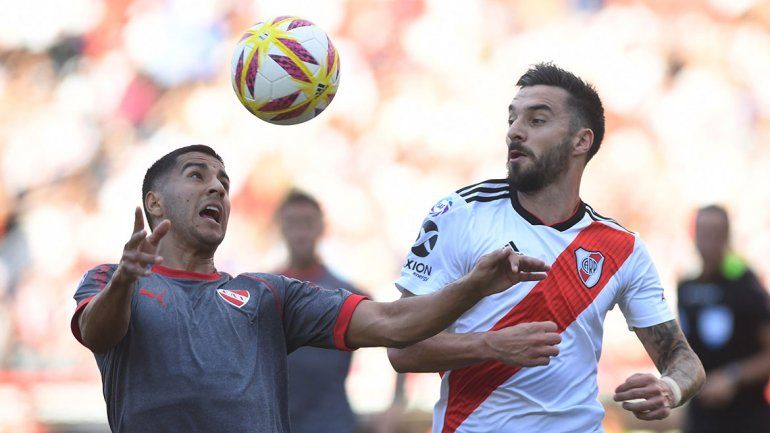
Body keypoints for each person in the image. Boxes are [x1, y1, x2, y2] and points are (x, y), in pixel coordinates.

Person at [70, 144, 550, 433]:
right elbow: (97, 333)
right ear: (153, 202)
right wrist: (127, 278)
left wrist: (476, 285)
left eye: (224, 181)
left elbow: (393, 322)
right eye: (197, 175)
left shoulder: (269, 295)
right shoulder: (111, 281)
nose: (217, 188)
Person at [387, 63, 705, 433]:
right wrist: (490, 345)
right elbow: (401, 347)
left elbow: (683, 360)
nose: (514, 132)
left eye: (536, 121)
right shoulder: (459, 214)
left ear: (580, 141)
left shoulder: (622, 248)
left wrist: (669, 388)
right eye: (512, 119)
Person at [275, 189, 404, 433]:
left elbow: (399, 335)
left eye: (308, 223)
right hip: (278, 423)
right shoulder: (265, 291)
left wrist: (397, 403)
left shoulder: (345, 293)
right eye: (293, 223)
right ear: (281, 227)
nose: (301, 233)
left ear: (322, 228)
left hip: (333, 423)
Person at [678, 205, 770, 433]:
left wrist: (733, 377)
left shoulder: (746, 286)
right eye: (703, 233)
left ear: (727, 237)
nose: (708, 241)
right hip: (701, 420)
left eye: (715, 233)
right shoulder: (686, 288)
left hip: (747, 419)